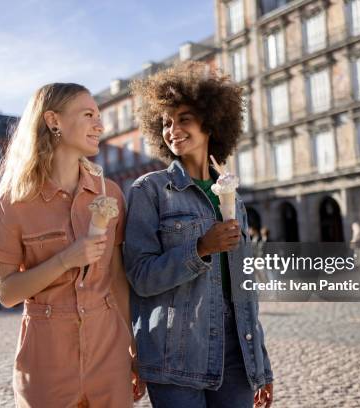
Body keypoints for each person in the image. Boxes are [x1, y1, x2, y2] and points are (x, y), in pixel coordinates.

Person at [0, 83, 144, 407]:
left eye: (99, 115)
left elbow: (117, 281)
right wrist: (65, 259)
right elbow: (7, 293)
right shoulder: (13, 204)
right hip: (46, 360)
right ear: (53, 121)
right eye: (88, 115)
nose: (100, 124)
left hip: (108, 352)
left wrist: (135, 350)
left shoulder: (109, 194)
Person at [125, 62, 274, 408]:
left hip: (236, 354)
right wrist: (201, 248)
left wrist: (260, 366)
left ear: (210, 122)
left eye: (183, 119)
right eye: (165, 122)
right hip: (174, 355)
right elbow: (140, 277)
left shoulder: (232, 195)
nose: (172, 130)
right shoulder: (149, 191)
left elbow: (243, 286)